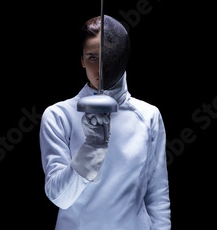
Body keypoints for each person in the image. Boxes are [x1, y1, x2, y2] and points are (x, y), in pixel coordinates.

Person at [39, 15, 171, 229]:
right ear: (81, 60)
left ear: (121, 57)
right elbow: (60, 197)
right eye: (92, 57)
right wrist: (92, 149)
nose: (101, 68)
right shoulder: (58, 115)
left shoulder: (148, 115)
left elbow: (157, 195)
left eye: (109, 56)